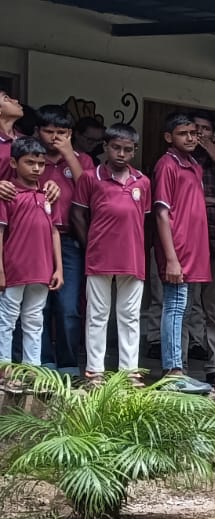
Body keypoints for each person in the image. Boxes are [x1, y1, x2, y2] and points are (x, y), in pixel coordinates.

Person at [73, 123, 149, 383]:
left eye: (127, 149)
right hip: (99, 256)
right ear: (105, 147)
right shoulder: (90, 177)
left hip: (133, 257)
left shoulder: (143, 182)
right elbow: (78, 215)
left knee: (129, 316)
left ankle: (129, 372)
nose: (121, 153)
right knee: (97, 314)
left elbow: (146, 222)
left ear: (134, 151)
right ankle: (95, 371)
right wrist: (90, 244)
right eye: (116, 147)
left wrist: (141, 249)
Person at [152, 113, 215, 393]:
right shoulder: (167, 164)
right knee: (175, 308)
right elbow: (162, 213)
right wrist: (171, 258)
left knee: (185, 309)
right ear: (169, 137)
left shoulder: (194, 165)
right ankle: (172, 372)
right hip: (177, 250)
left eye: (193, 133)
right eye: (183, 133)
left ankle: (178, 369)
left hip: (194, 249)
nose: (190, 138)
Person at [0, 136, 65, 386]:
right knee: (7, 318)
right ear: (14, 163)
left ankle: (32, 369)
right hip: (15, 268)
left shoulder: (47, 195)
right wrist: (1, 270)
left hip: (42, 269)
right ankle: (5, 369)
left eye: (40, 163)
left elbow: (54, 231)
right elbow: (1, 231)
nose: (37, 168)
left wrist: (58, 267)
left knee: (34, 319)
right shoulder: (8, 193)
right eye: (30, 163)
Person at [35, 105, 89, 377]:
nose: (54, 137)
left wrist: (69, 155)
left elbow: (90, 193)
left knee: (68, 307)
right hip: (34, 239)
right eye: (48, 131)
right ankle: (44, 362)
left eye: (61, 132)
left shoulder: (83, 160)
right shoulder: (31, 158)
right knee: (38, 306)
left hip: (70, 241)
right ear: (37, 131)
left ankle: (68, 365)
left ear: (70, 133)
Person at [186, 112, 215, 385]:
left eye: (205, 130)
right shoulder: (181, 162)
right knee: (185, 306)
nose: (200, 135)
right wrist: (208, 201)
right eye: (195, 129)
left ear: (214, 137)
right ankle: (179, 366)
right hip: (189, 247)